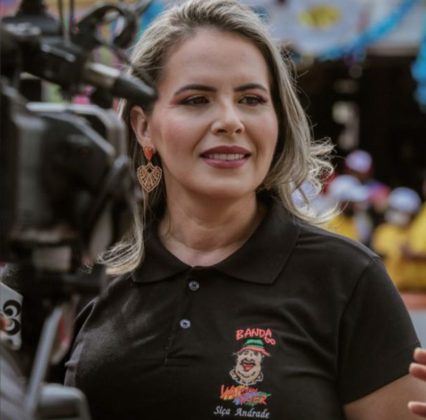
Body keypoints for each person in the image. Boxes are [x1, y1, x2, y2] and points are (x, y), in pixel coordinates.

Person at [63, 1, 426, 419]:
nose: (230, 121)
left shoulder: (347, 277)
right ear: (144, 126)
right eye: (197, 99)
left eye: (251, 99)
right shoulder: (78, 266)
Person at [371, 187, 422, 290]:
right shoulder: (383, 230)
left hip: (412, 288)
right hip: (388, 288)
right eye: (394, 209)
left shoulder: (416, 231)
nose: (396, 214)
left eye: (402, 211)